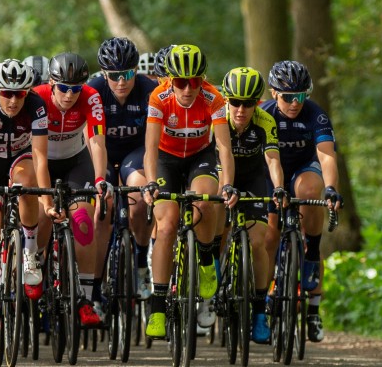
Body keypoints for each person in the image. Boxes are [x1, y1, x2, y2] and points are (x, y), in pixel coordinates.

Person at [141, 44, 238, 339]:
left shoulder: (213, 97)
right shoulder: (159, 98)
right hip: (167, 160)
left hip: (200, 157)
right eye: (180, 82)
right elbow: (149, 151)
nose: (187, 89)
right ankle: (158, 306)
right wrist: (148, 182)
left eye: (193, 82)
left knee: (206, 201)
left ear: (202, 80)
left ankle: (207, 259)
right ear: (170, 80)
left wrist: (229, 183)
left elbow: (223, 147)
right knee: (167, 224)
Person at [0, 59, 56, 343]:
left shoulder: (37, 106)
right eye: (7, 93)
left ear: (27, 92)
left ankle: (29, 250)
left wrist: (47, 200)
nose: (13, 100)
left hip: (21, 159)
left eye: (19, 94)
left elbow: (41, 157)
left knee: (25, 183)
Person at [261, 60, 342, 343]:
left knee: (309, 193)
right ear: (274, 93)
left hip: (305, 167)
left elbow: (327, 155)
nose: (294, 103)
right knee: (270, 237)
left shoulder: (315, 115)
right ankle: (268, 291)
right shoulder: (263, 114)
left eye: (300, 96)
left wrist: (331, 188)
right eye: (287, 97)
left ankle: (313, 305)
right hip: (274, 172)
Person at [33, 53, 108, 327]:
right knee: (41, 216)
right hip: (42, 161)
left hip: (76, 161)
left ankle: (85, 300)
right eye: (63, 88)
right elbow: (37, 156)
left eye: (75, 89)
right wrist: (44, 196)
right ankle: (37, 273)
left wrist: (100, 178)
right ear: (52, 83)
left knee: (84, 224)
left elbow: (97, 142)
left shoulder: (91, 97)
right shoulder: (37, 97)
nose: (69, 95)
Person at [88, 37, 159, 300]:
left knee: (140, 200)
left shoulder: (149, 90)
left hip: (135, 153)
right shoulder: (93, 91)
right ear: (104, 73)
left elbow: (153, 143)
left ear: (136, 71)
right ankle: (94, 286)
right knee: (100, 211)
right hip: (102, 151)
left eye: (128, 73)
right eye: (114, 75)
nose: (121, 81)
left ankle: (141, 263)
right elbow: (92, 141)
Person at [220, 67, 287, 344]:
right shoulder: (218, 118)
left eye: (248, 103)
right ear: (226, 100)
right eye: (235, 101)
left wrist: (280, 187)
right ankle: (210, 265)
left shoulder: (265, 120)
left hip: (253, 178)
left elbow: (272, 159)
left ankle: (260, 311)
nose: (241, 109)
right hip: (222, 174)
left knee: (259, 242)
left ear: (257, 103)